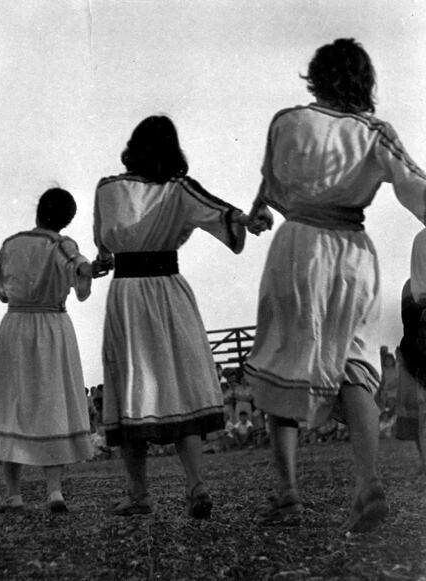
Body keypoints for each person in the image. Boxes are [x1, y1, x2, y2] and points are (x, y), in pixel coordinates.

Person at [244, 39, 426, 531]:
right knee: (354, 367)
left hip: (298, 249)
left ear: (316, 77)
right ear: (365, 82)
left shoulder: (288, 121)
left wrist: (262, 211)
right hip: (352, 252)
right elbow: (416, 187)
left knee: (283, 359)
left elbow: (274, 189)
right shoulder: (375, 132)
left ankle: (287, 495)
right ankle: (366, 483)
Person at [95, 115, 247, 518]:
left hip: (127, 293)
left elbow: (104, 242)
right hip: (169, 289)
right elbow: (221, 212)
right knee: (181, 384)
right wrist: (249, 220)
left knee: (132, 387)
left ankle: (139, 492)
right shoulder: (179, 190)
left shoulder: (109, 188)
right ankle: (195, 485)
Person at [0, 187, 100, 513]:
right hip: (51, 327)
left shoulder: (12, 244)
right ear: (66, 219)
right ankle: (54, 491)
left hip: (16, 326)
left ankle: (14, 493)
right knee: (52, 403)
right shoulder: (61, 244)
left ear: (38, 210)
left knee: (12, 404)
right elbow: (77, 267)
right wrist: (87, 271)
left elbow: (1, 291)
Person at [396, 229, 426, 473]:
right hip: (417, 342)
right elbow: (410, 323)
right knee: (419, 407)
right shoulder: (410, 288)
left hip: (416, 343)